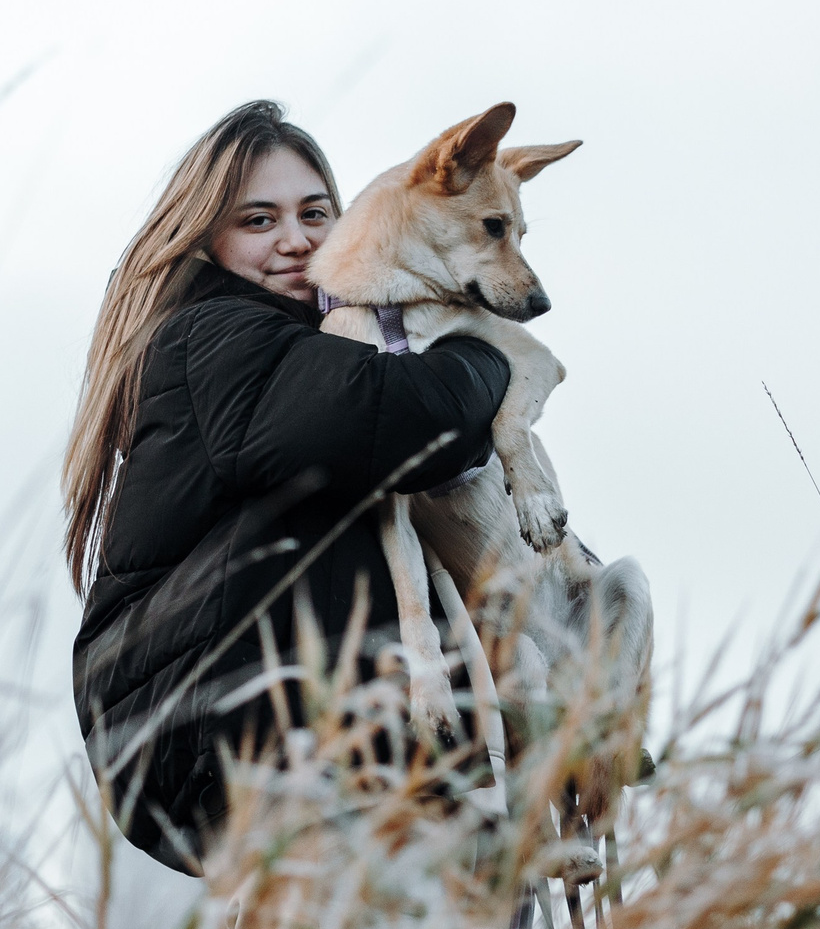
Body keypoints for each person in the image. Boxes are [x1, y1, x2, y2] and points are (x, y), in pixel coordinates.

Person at [66, 101, 512, 874]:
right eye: (258, 220)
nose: (296, 239)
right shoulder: (221, 334)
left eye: (314, 212)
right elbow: (407, 418)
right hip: (217, 709)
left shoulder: (312, 343)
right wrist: (491, 351)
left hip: (245, 716)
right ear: (206, 238)